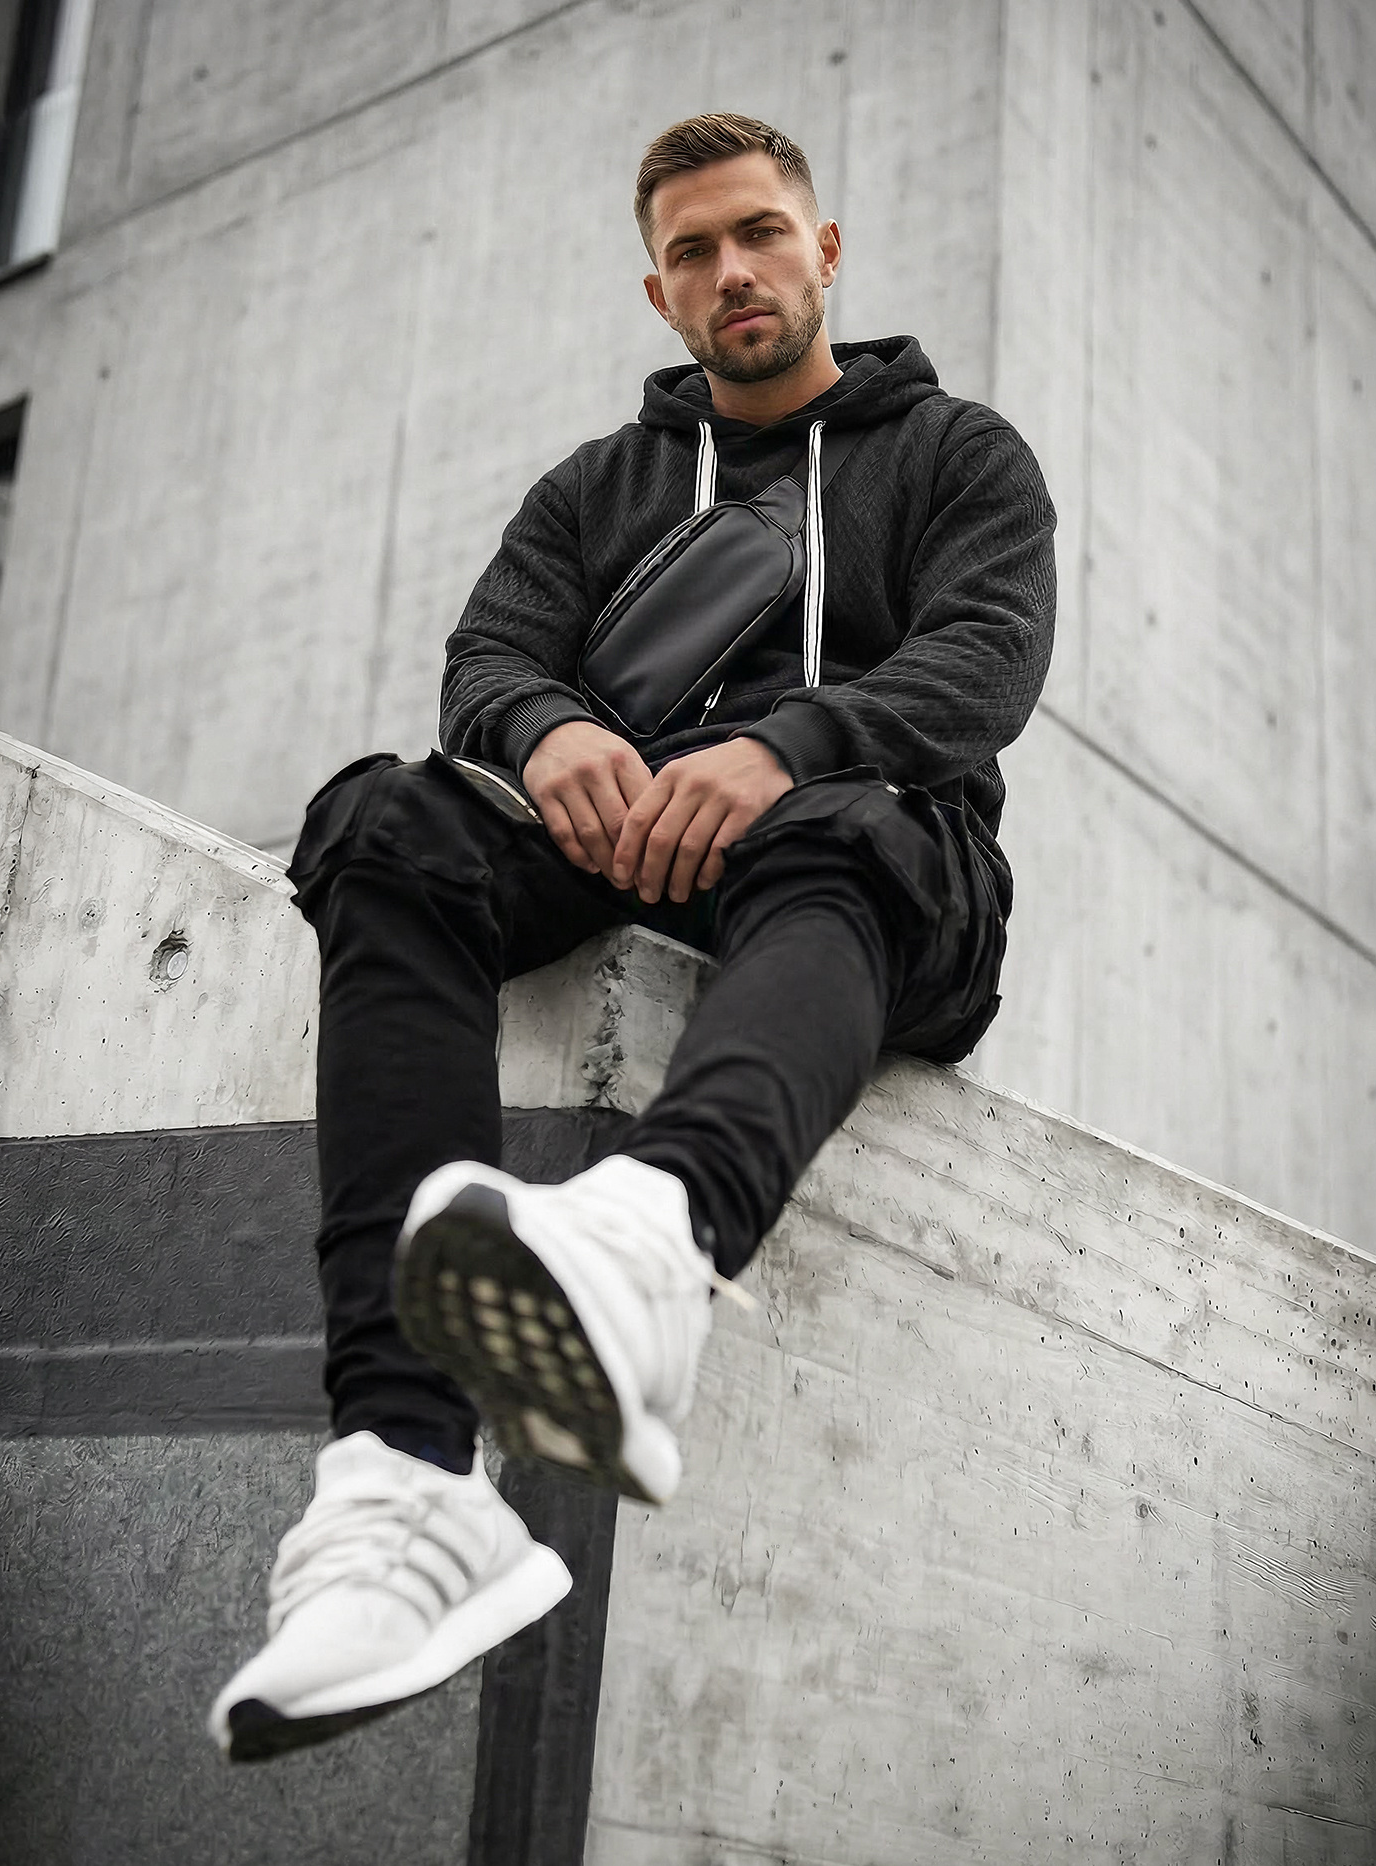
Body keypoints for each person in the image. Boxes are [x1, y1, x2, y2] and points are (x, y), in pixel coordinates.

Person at [209, 111, 1055, 1761]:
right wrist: (548, 735)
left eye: (760, 232)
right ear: (659, 293)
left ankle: (654, 1236)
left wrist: (788, 746)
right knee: (386, 820)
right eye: (692, 251)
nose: (732, 268)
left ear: (824, 250)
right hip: (625, 839)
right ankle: (403, 1481)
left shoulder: (958, 454)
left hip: (884, 855)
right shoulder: (597, 484)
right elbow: (487, 656)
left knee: (839, 828)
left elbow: (988, 659)